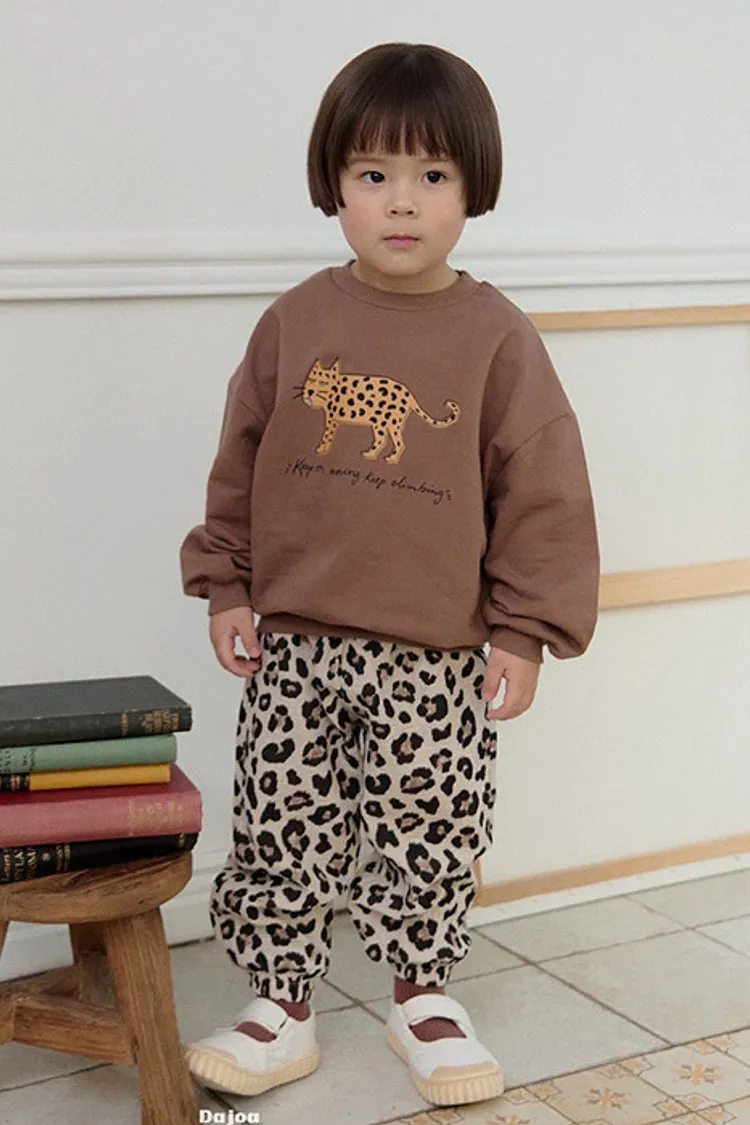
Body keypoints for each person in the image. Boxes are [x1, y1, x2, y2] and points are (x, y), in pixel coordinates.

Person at [179, 41, 600, 1108]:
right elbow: (239, 463)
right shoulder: (295, 323)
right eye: (374, 174)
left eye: (432, 175)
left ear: (472, 187)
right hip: (297, 645)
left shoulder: (497, 339)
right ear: (334, 184)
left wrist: (524, 631)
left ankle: (423, 997)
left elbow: (543, 490)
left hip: (436, 652)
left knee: (432, 826)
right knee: (283, 819)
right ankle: (281, 1005)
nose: (402, 202)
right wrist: (227, 584)